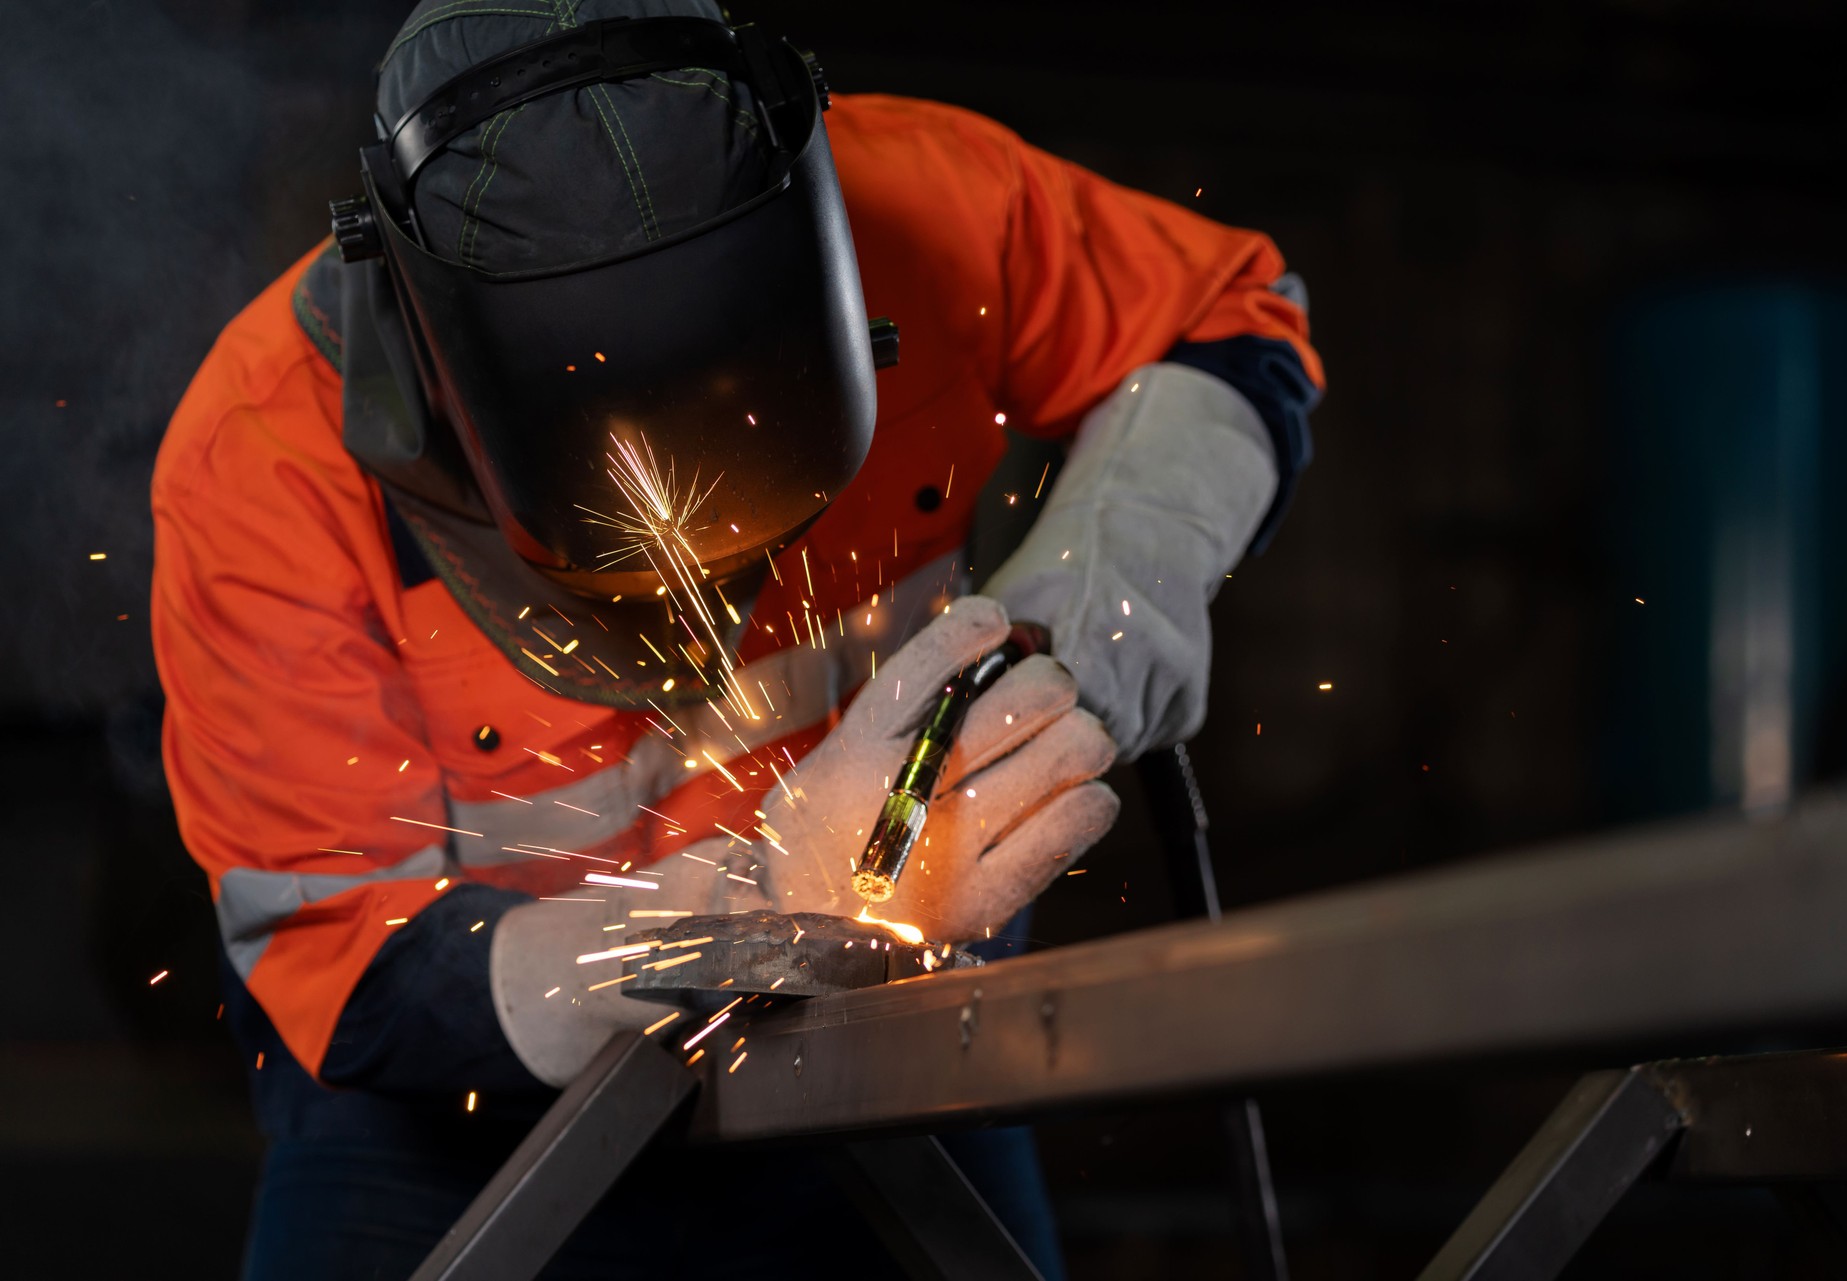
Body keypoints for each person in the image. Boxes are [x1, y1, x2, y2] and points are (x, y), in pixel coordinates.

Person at [151, 2, 1323, 1276]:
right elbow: (352, 960)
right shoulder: (264, 457)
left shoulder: (925, 207)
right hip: (451, 1128)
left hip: (887, 1033)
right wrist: (751, 918)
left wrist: (1067, 644)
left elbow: (1227, 320)